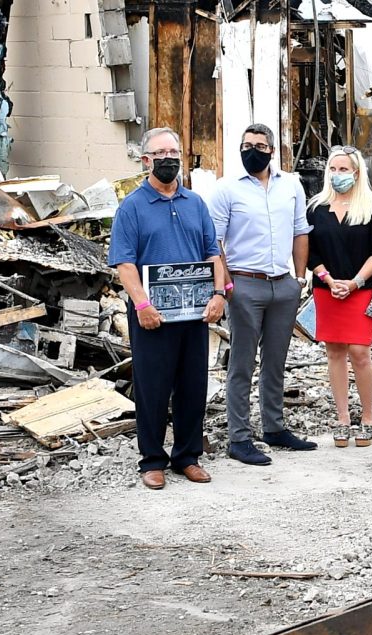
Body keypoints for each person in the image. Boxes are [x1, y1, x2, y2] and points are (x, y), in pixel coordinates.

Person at [107, 127, 225, 490]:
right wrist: (141, 304)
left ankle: (187, 457)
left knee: (193, 386)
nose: (169, 159)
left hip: (194, 314)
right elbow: (124, 263)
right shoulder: (132, 207)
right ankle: (152, 461)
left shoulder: (195, 203)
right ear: (146, 160)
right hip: (152, 316)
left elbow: (212, 252)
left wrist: (219, 294)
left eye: (174, 152)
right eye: (160, 153)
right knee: (153, 389)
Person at [210, 123, 317, 466]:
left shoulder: (292, 185)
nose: (251, 151)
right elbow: (213, 241)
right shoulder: (226, 188)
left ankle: (274, 427)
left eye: (259, 145)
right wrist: (227, 285)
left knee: (275, 361)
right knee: (242, 363)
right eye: (246, 145)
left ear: (272, 150)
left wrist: (298, 279)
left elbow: (301, 230)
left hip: (283, 284)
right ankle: (239, 438)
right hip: (245, 284)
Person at [305, 145, 372, 447]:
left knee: (360, 352)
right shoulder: (316, 207)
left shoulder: (370, 205)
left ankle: (368, 416)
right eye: (333, 169)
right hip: (327, 289)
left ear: (356, 172)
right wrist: (328, 280)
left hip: (360, 289)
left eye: (343, 169)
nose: (337, 174)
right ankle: (342, 418)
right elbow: (309, 252)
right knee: (335, 352)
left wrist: (354, 283)